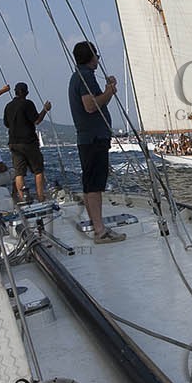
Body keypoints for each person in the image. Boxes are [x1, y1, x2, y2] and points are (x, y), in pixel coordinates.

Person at [68, 42, 124, 243]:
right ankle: (100, 230)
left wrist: (107, 90)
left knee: (91, 183)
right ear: (92, 57)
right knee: (95, 185)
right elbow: (91, 106)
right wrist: (110, 91)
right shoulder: (86, 76)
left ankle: (97, 225)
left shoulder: (79, 76)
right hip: (94, 138)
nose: (99, 59)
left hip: (88, 138)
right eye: (97, 56)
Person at [3, 82, 51, 205]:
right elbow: (37, 120)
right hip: (28, 142)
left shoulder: (8, 106)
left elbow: (6, 124)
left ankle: (22, 198)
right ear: (26, 92)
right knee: (38, 170)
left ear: (15, 92)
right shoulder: (27, 104)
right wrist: (45, 109)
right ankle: (41, 197)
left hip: (14, 143)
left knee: (19, 172)